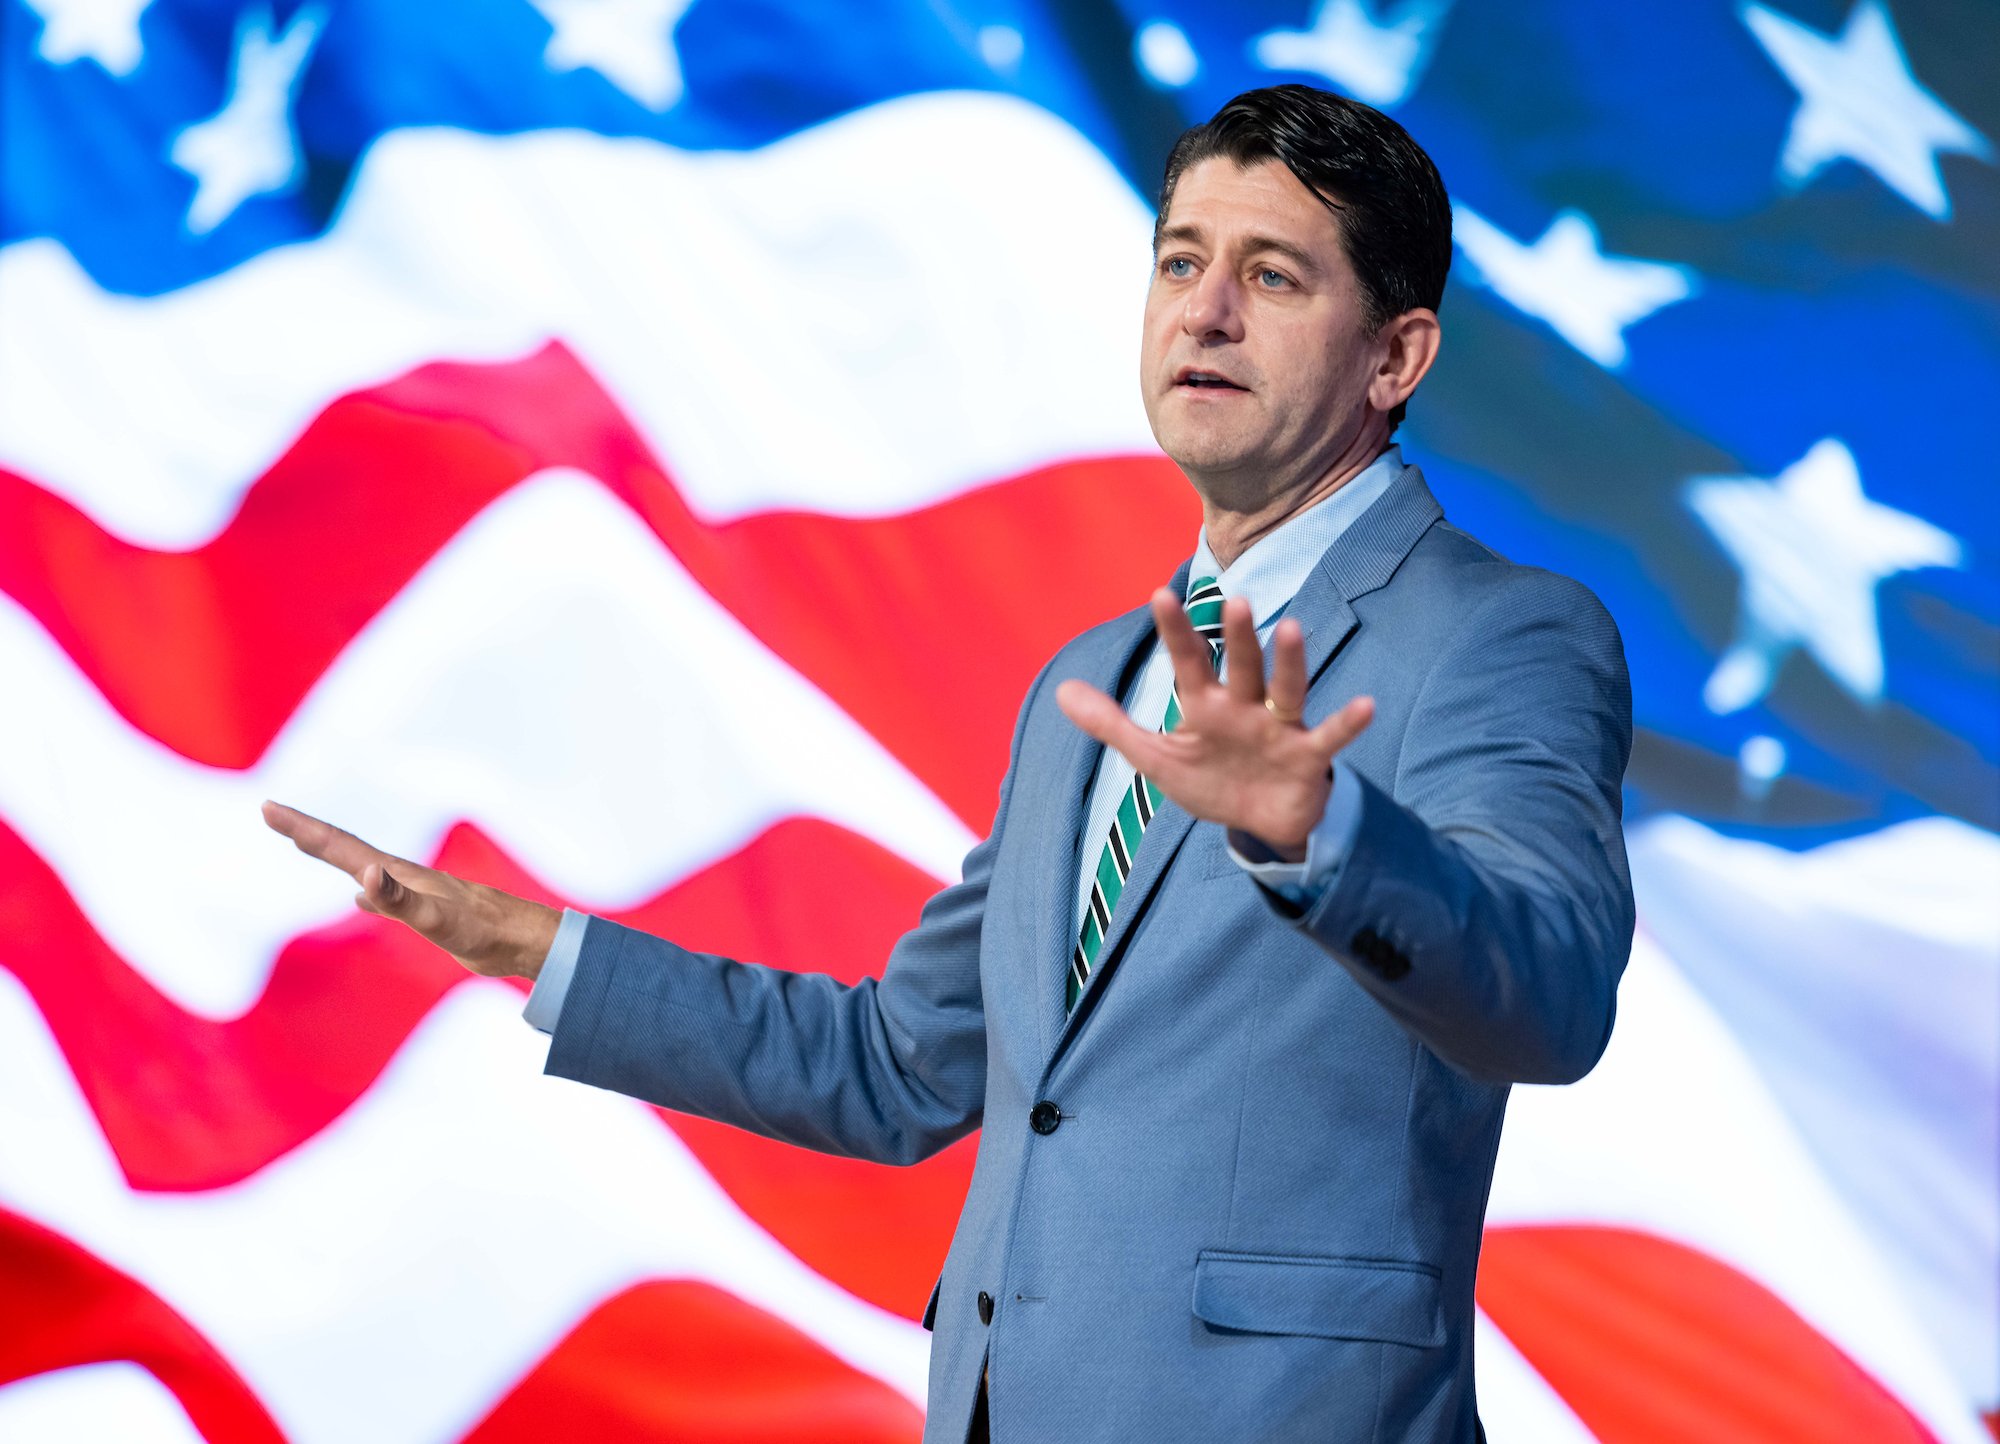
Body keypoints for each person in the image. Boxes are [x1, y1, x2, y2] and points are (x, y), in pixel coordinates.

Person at [265, 84, 1633, 1444]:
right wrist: (534, 948)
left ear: (1395, 360)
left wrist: (1318, 835)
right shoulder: (1093, 681)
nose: (1204, 312)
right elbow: (900, 1064)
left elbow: (1552, 995)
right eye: (1179, 261)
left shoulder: (1503, 633)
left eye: (1272, 275)